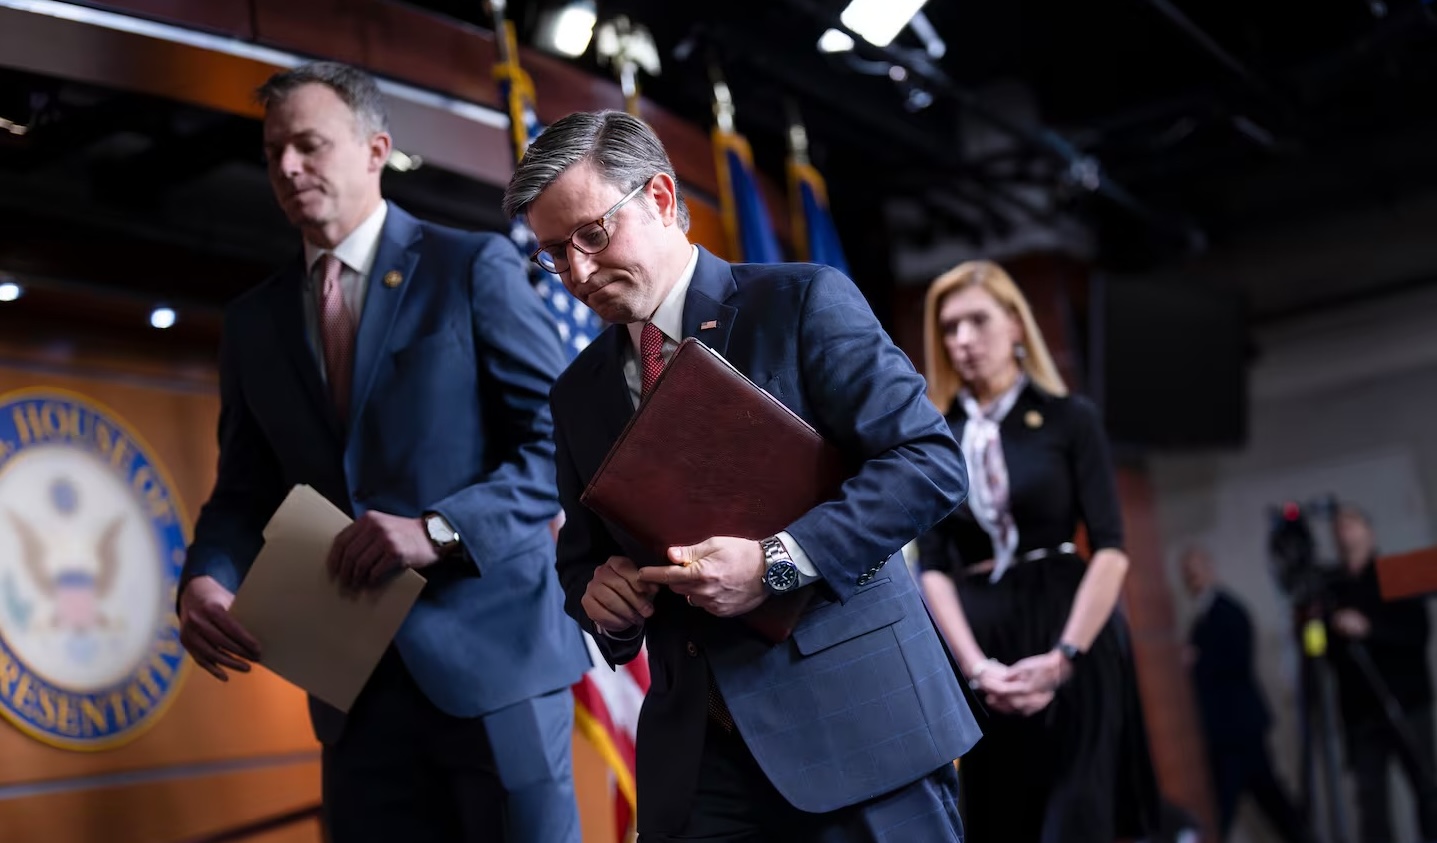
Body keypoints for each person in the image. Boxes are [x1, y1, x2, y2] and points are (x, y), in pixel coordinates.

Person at [504, 109, 980, 843]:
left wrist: (777, 561)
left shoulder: (800, 301)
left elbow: (927, 461)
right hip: (696, 765)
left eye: (591, 235)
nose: (577, 272)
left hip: (856, 730)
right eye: (553, 254)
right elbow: (582, 565)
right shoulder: (576, 393)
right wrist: (605, 601)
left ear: (659, 197)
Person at [176, 62, 589, 843]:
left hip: (495, 666)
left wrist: (437, 529)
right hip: (350, 685)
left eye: (309, 144)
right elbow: (242, 491)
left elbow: (563, 440)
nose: (289, 167)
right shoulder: (252, 323)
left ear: (376, 149)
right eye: (273, 154)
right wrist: (205, 575)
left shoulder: (471, 267)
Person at [914, 260, 1159, 842]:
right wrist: (976, 670)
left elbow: (1111, 549)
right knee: (1006, 823)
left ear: (1017, 326)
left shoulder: (1068, 418)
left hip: (1069, 633)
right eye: (950, 328)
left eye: (978, 321)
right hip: (984, 652)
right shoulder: (932, 437)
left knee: (1079, 819)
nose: (963, 340)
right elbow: (934, 568)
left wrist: (1064, 656)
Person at [1178, 545, 1308, 842]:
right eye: (1187, 574)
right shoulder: (1203, 615)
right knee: (1268, 801)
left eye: (1197, 570)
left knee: (1224, 807)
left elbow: (1235, 661)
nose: (1192, 578)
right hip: (1229, 730)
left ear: (1210, 570)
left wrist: (1196, 661)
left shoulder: (1228, 610)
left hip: (1236, 729)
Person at [1327, 503, 1437, 843]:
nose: (1345, 531)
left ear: (1369, 531)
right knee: (1371, 803)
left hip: (1406, 702)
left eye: (1352, 523)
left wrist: (1369, 628)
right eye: (1339, 526)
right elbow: (1327, 657)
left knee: (1427, 788)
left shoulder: (1395, 573)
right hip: (1361, 715)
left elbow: (1417, 633)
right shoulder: (1332, 591)